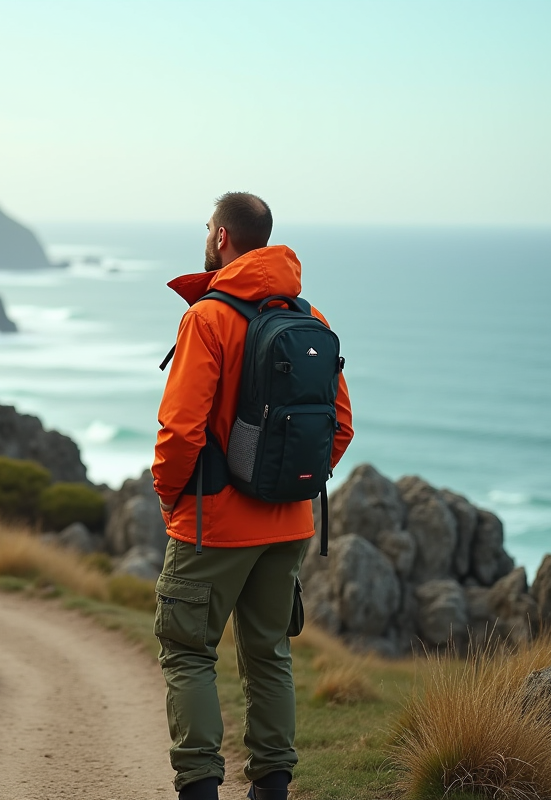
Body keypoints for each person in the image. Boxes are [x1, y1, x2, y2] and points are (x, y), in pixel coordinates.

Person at [152, 192, 354, 800]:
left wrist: (172, 499)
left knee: (188, 652)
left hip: (214, 522)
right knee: (268, 655)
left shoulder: (208, 318)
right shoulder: (310, 317)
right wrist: (289, 489)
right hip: (289, 524)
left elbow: (181, 429)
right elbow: (339, 426)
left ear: (221, 237)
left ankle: (199, 788)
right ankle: (271, 791)